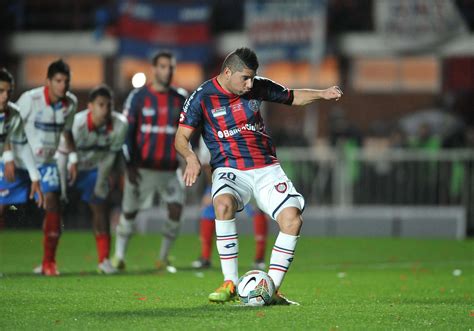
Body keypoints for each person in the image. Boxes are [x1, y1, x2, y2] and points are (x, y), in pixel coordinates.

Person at [175, 47, 342, 304]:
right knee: (222, 204)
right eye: (245, 78)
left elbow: (292, 96)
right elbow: (181, 138)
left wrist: (322, 93)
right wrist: (190, 157)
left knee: (292, 220)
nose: (250, 83)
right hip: (230, 169)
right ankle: (229, 282)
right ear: (227, 72)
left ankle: (271, 289)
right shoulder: (202, 97)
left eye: (253, 77)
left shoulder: (257, 87)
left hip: (266, 169)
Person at [112, 50, 187, 272]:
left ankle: (163, 258)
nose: (167, 71)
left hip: (169, 169)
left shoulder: (180, 98)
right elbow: (126, 132)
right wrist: (129, 163)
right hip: (142, 168)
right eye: (163, 66)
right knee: (129, 212)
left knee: (176, 209)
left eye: (171, 67)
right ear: (154, 69)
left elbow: (192, 130)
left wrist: (192, 158)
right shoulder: (138, 96)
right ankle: (119, 257)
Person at [57, 85, 127, 274]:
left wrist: (101, 183)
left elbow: (110, 158)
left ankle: (104, 261)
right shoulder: (76, 124)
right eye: (101, 105)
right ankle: (48, 261)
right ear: (90, 106)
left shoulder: (120, 124)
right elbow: (62, 156)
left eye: (108, 105)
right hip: (70, 169)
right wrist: (61, 188)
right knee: (53, 207)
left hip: (95, 171)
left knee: (100, 206)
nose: (105, 109)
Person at [17, 59, 78, 276]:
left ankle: (48, 263)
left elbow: (67, 133)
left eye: (66, 81)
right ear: (48, 82)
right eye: (58, 81)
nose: (63, 85)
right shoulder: (29, 100)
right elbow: (12, 127)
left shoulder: (70, 103)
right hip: (20, 162)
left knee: (54, 204)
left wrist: (72, 159)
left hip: (47, 164)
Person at [191, 137, 268, 270]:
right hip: (223, 179)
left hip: (247, 177)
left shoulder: (242, 125)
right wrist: (213, 188)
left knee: (258, 210)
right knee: (209, 210)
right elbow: (207, 164)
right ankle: (205, 257)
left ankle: (259, 258)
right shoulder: (207, 133)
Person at [0, 68, 44, 227]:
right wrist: (8, 156)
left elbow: (22, 144)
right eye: (1, 91)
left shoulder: (14, 113)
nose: (5, 96)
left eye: (8, 91)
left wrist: (35, 177)